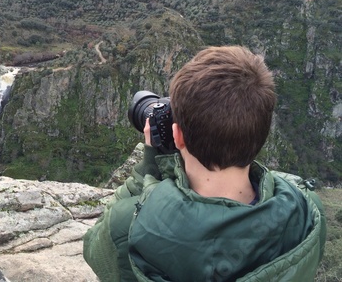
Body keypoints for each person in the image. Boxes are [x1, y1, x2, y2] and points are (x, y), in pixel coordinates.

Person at [83, 46, 326, 282]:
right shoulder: (306, 210)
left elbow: (95, 248)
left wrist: (147, 171)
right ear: (261, 134)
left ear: (178, 137)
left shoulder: (128, 225)